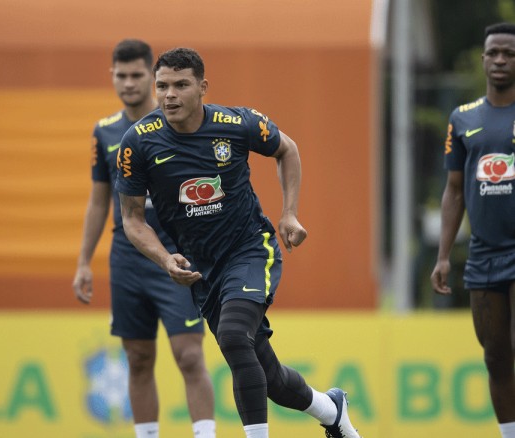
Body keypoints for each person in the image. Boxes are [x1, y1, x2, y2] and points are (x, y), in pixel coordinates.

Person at [115, 47, 361, 438]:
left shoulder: (237, 123)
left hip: (250, 250)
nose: (169, 95)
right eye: (162, 86)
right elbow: (131, 219)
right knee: (271, 378)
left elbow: (287, 149)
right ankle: (332, 410)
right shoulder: (138, 142)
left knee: (232, 335)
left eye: (181, 85)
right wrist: (164, 259)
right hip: (202, 270)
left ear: (203, 87)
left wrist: (289, 213)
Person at [73, 39, 216, 438]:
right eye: (121, 75)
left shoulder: (177, 122)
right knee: (137, 358)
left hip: (177, 255)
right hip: (128, 258)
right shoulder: (105, 132)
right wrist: (84, 261)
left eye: (137, 75)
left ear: (150, 79)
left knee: (189, 354)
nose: (129, 83)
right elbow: (99, 202)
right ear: (112, 77)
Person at [431, 22, 515, 438]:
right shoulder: (462, 118)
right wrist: (444, 255)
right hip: (483, 257)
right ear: (483, 59)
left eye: (509, 54)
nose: (500, 60)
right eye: (493, 53)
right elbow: (454, 190)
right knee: (496, 357)